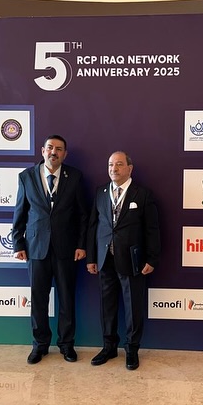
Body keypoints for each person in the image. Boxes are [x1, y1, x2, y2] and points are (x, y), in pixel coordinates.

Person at [12, 134, 88, 364]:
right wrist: (18, 243)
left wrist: (81, 245)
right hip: (36, 248)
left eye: (59, 149)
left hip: (67, 249)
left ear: (65, 154)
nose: (54, 152)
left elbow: (82, 215)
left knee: (66, 299)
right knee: (38, 300)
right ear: (43, 151)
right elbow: (20, 212)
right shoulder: (26, 176)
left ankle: (67, 345)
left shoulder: (75, 176)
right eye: (50, 148)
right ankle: (40, 345)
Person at [86, 151, 160, 370]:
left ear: (130, 168)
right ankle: (109, 347)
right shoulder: (100, 192)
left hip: (132, 260)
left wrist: (152, 258)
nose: (114, 169)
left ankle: (132, 349)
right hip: (105, 259)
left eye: (119, 164)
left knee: (133, 307)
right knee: (107, 306)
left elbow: (152, 230)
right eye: (110, 164)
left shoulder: (143, 194)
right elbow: (93, 227)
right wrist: (91, 257)